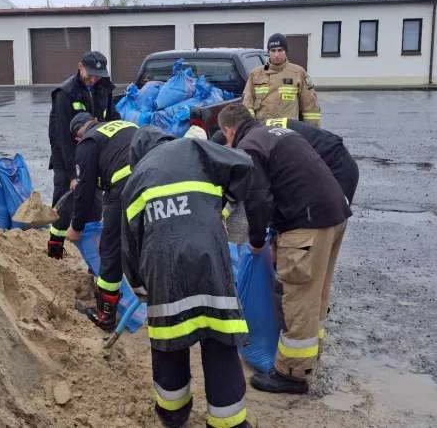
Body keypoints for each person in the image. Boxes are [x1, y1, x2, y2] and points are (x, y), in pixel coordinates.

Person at [122, 127, 254, 428]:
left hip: (164, 269)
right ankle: (229, 421)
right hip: (209, 261)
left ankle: (173, 414)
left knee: (169, 340)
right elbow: (244, 163)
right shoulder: (196, 150)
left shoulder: (137, 177)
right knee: (219, 336)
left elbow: (129, 242)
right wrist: (225, 200)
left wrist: (142, 287)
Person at [218, 103, 350, 395]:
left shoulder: (249, 147)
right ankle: (310, 356)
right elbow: (288, 184)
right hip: (334, 215)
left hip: (308, 223)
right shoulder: (275, 133)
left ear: (229, 130)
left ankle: (291, 373)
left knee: (299, 296)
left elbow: (260, 200)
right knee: (317, 292)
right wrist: (277, 237)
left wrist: (255, 243)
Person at [56, 113, 138, 331]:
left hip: (124, 189)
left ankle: (105, 316)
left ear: (77, 135)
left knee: (110, 250)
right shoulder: (124, 124)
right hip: (153, 181)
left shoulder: (88, 143)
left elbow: (85, 193)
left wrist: (76, 227)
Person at [46, 51, 117, 243]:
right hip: (66, 158)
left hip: (93, 156)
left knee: (94, 205)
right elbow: (61, 137)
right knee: (64, 207)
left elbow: (112, 118)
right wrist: (72, 174)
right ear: (80, 67)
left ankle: (89, 251)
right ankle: (54, 251)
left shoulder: (104, 88)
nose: (93, 79)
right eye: (90, 73)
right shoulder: (65, 93)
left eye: (98, 75)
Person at [263, 117, 359, 203]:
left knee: (328, 217)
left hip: (338, 168)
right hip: (330, 158)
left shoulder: (257, 143)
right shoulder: (264, 129)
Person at [242, 33, 321, 127]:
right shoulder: (256, 74)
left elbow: (310, 108)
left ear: (286, 51)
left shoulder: (298, 73)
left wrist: (312, 133)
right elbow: (247, 105)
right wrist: (251, 128)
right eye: (273, 50)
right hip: (263, 130)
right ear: (268, 52)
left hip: (289, 130)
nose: (276, 54)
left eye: (280, 50)